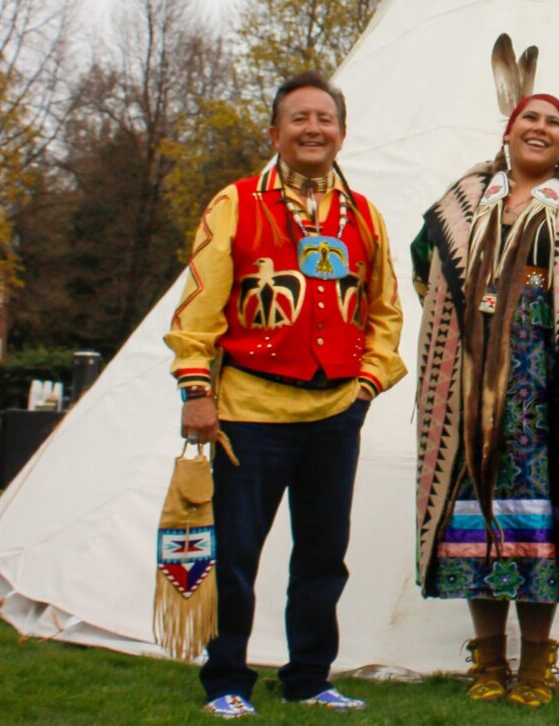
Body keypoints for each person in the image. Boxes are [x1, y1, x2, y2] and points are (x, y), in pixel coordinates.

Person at [165, 71, 406, 719]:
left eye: (325, 119)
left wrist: (367, 385)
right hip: (250, 413)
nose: (313, 129)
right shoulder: (237, 203)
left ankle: (309, 678)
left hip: (335, 415)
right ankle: (226, 681)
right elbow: (200, 305)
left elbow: (385, 310)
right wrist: (195, 388)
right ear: (275, 132)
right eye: (299, 118)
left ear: (342, 134)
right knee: (236, 554)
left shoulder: (364, 216)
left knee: (323, 556)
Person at [410, 92, 559, 708]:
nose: (540, 129)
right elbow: (423, 269)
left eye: (554, 123)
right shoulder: (462, 203)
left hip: (549, 393)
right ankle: (488, 660)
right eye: (529, 119)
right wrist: (458, 332)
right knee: (472, 522)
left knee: (541, 524)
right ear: (508, 132)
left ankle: (537, 664)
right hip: (466, 395)